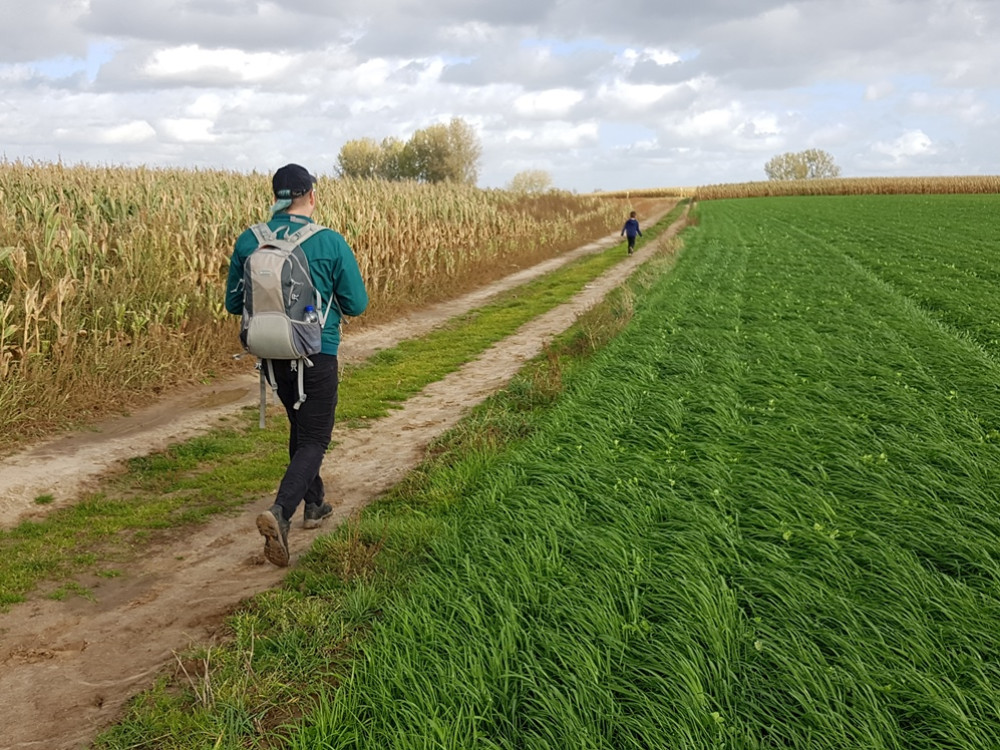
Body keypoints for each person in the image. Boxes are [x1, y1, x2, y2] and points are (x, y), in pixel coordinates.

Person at [226, 164, 369, 567]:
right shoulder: (329, 242)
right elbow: (357, 305)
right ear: (311, 195)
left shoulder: (249, 240)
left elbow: (234, 304)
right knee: (314, 439)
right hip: (316, 351)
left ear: (276, 197)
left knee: (300, 427)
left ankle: (315, 504)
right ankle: (281, 513)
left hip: (271, 354)